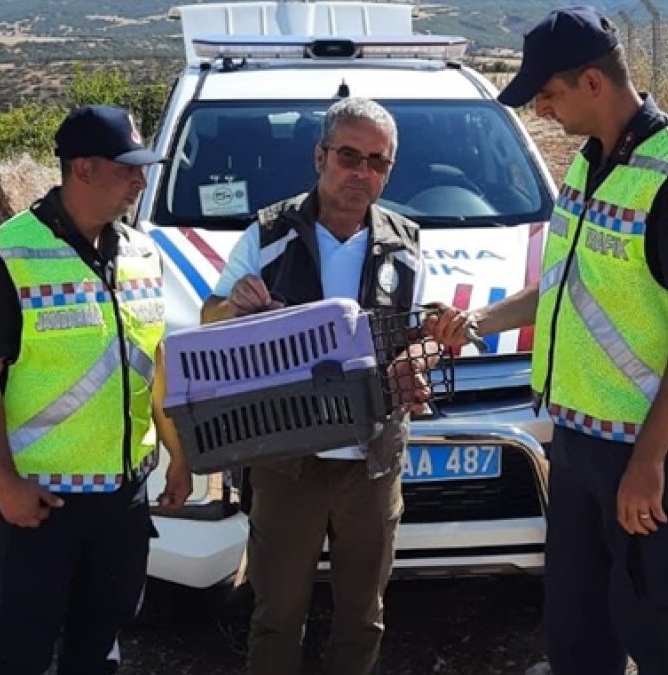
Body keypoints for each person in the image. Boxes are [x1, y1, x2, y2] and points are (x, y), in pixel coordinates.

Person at [425, 7, 668, 675]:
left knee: (653, 617)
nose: (542, 109)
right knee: (576, 621)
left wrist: (650, 459)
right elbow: (564, 286)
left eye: (549, 93)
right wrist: (480, 324)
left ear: (593, 81)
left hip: (651, 443)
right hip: (578, 436)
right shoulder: (589, 163)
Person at [0, 104, 193, 675]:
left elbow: (152, 360)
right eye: (128, 167)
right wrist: (5, 484)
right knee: (18, 655)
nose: (141, 179)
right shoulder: (7, 254)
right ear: (82, 169)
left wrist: (180, 457)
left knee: (99, 647)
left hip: (121, 498)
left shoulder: (140, 252)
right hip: (40, 504)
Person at [202, 97, 433, 675]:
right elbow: (209, 319)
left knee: (363, 616)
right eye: (349, 156)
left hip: (372, 462)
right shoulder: (267, 233)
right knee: (278, 613)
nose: (362, 173)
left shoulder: (407, 245)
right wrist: (236, 306)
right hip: (285, 461)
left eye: (377, 162)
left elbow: (418, 335)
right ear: (320, 156)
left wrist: (418, 362)